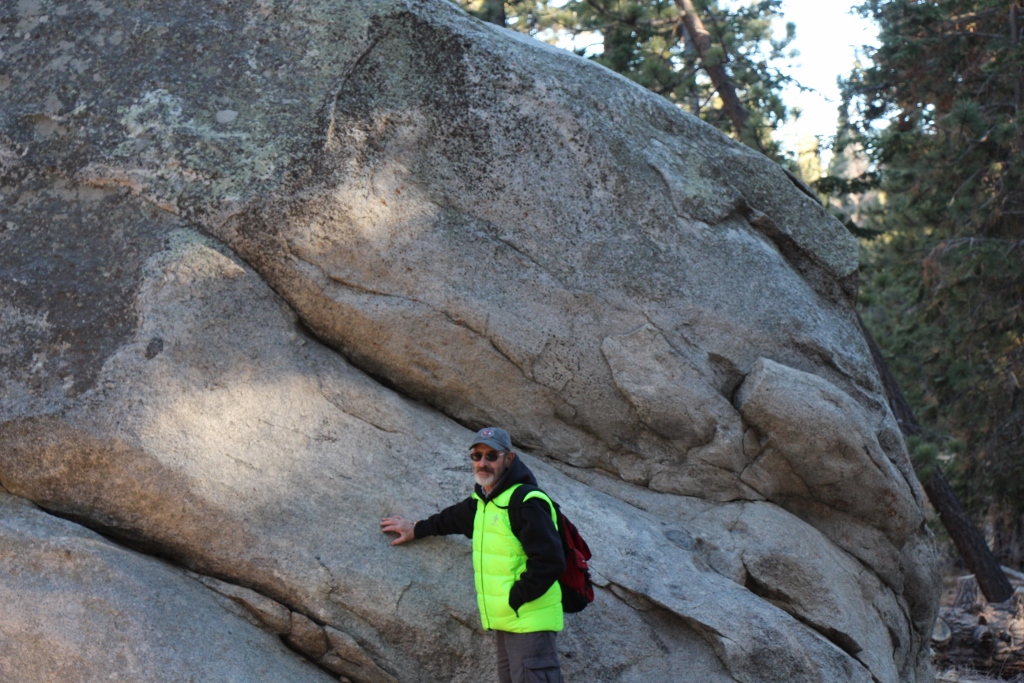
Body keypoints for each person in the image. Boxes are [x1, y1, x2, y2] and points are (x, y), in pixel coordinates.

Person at [381, 426, 566, 683]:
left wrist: (516, 598)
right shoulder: (485, 502)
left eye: (492, 456)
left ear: (509, 458)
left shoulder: (526, 501)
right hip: (507, 620)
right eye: (477, 455)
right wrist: (416, 529)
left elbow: (551, 561)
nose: (482, 462)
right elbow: (452, 519)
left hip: (529, 621)